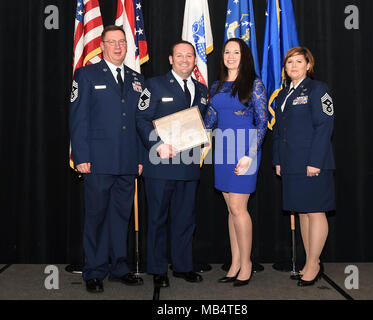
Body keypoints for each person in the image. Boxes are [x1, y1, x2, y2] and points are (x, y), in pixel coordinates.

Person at [69, 25, 145, 293]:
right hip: (98, 161)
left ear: (127, 46)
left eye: (121, 42)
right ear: (101, 46)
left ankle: (119, 267)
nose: (117, 47)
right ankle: (94, 270)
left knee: (120, 216)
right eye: (111, 42)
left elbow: (138, 121)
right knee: (97, 217)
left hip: (126, 161)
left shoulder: (137, 79)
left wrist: (139, 157)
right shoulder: (87, 74)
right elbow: (78, 119)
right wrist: (81, 156)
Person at [136, 40, 208, 288]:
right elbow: (142, 119)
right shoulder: (153, 85)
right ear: (170, 59)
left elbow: (203, 122)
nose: (185, 60)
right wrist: (157, 144)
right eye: (180, 55)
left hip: (188, 164)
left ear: (195, 60)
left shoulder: (201, 89)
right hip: (160, 164)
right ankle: (157, 268)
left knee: (185, 219)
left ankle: (182, 266)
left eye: (189, 56)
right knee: (157, 218)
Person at [204, 38, 268, 287]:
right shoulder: (217, 86)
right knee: (231, 210)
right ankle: (235, 262)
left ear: (245, 56)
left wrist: (250, 155)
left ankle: (247, 264)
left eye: (236, 52)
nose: (231, 56)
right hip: (222, 150)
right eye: (227, 52)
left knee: (239, 209)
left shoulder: (255, 85)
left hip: (245, 151)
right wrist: (180, 132)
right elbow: (209, 121)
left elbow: (262, 124)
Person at [272, 47, 335, 286]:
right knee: (302, 212)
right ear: (285, 68)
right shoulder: (282, 95)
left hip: (312, 163)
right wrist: (277, 160)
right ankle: (311, 260)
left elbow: (324, 126)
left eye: (299, 61)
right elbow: (279, 130)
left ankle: (313, 264)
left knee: (316, 211)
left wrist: (315, 162)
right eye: (289, 63)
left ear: (308, 65)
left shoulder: (318, 89)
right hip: (291, 163)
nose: (294, 66)